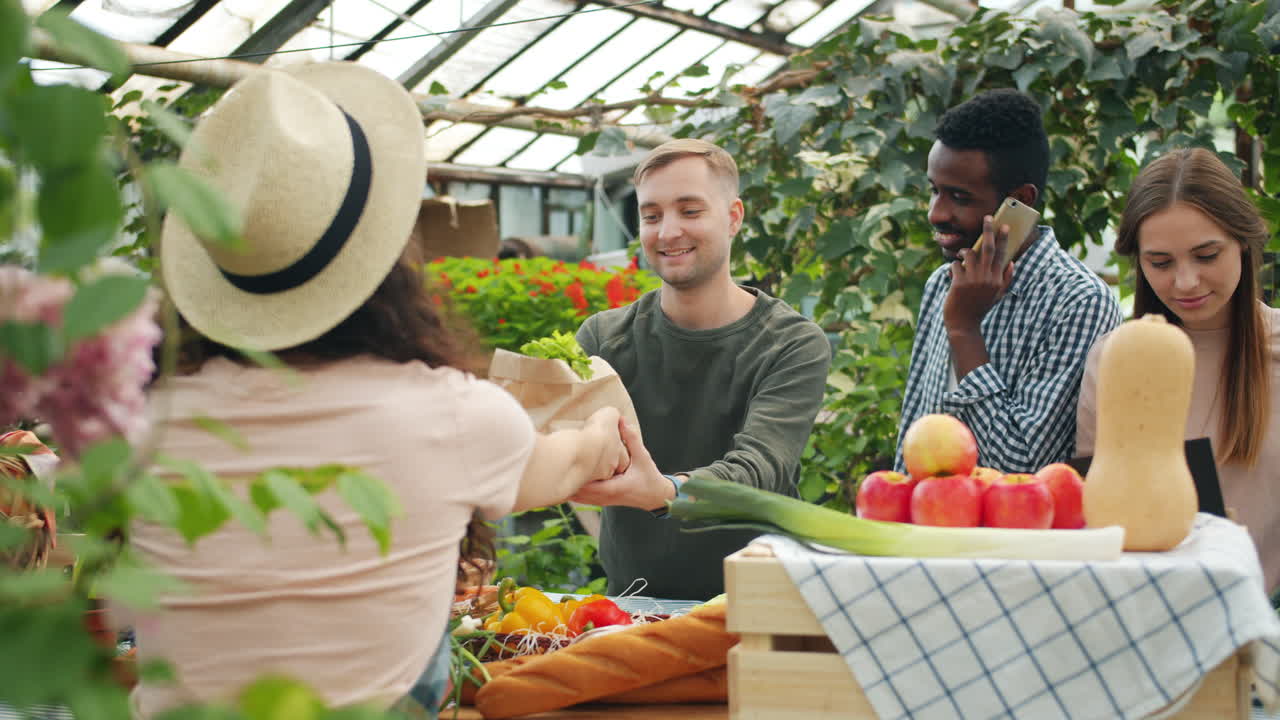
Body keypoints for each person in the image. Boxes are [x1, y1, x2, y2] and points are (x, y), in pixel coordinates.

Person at [123, 63, 627, 718]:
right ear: (387, 260)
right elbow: (564, 466)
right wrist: (603, 427)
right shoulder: (447, 413)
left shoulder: (146, 421)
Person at [571, 138, 832, 601]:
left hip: (755, 606)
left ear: (733, 218)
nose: (668, 231)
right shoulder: (602, 339)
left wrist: (664, 491)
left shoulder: (791, 343)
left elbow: (759, 468)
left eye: (690, 211)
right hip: (630, 604)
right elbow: (570, 452)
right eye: (651, 215)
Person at [1075, 147, 1279, 595]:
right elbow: (1104, 520)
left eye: (1206, 255)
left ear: (1243, 243)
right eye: (1160, 263)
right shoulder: (1113, 359)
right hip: (1145, 616)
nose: (1184, 282)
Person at [895, 88, 1122, 474]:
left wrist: (965, 330)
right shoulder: (943, 282)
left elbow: (1023, 470)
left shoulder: (1079, 303)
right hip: (925, 526)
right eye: (934, 191)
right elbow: (913, 435)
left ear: (1019, 201)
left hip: (1009, 533)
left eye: (959, 197)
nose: (936, 213)